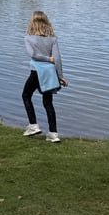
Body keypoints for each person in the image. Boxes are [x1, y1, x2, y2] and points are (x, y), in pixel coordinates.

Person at [21, 11, 68, 142]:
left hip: (36, 72)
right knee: (48, 102)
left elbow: (33, 55)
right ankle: (53, 134)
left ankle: (33, 125)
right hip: (50, 73)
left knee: (26, 95)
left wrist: (47, 58)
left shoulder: (28, 38)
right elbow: (57, 59)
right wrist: (60, 75)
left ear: (32, 23)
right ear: (46, 22)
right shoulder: (52, 38)